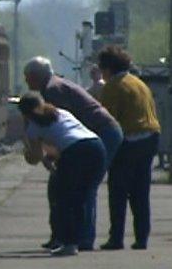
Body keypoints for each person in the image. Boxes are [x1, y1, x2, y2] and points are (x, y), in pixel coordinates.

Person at [24, 57, 123, 251]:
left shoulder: (53, 90)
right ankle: (68, 236)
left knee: (83, 187)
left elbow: (56, 126)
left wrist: (51, 156)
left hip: (100, 133)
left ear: (35, 76)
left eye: (27, 77)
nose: (26, 81)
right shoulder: (55, 85)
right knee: (77, 187)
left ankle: (81, 239)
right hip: (94, 136)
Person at [18, 92, 107, 256]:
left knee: (64, 200)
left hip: (74, 152)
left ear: (25, 113)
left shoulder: (33, 126)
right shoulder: (61, 112)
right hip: (96, 147)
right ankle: (81, 239)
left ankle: (69, 243)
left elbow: (35, 157)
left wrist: (28, 145)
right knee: (81, 197)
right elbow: (63, 139)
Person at [97, 46, 161, 250]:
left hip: (129, 140)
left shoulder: (113, 86)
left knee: (118, 190)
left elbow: (108, 121)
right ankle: (142, 238)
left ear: (107, 69)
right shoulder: (139, 83)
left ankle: (116, 238)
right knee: (140, 190)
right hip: (150, 137)